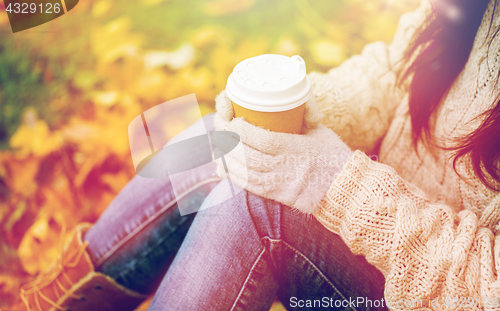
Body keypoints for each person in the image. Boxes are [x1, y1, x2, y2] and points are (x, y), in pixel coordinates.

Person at [18, 0, 500, 309]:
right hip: (368, 248)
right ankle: (55, 302)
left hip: (421, 293)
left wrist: (338, 185)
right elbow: (392, 74)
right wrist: (285, 116)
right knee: (221, 142)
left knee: (255, 209)